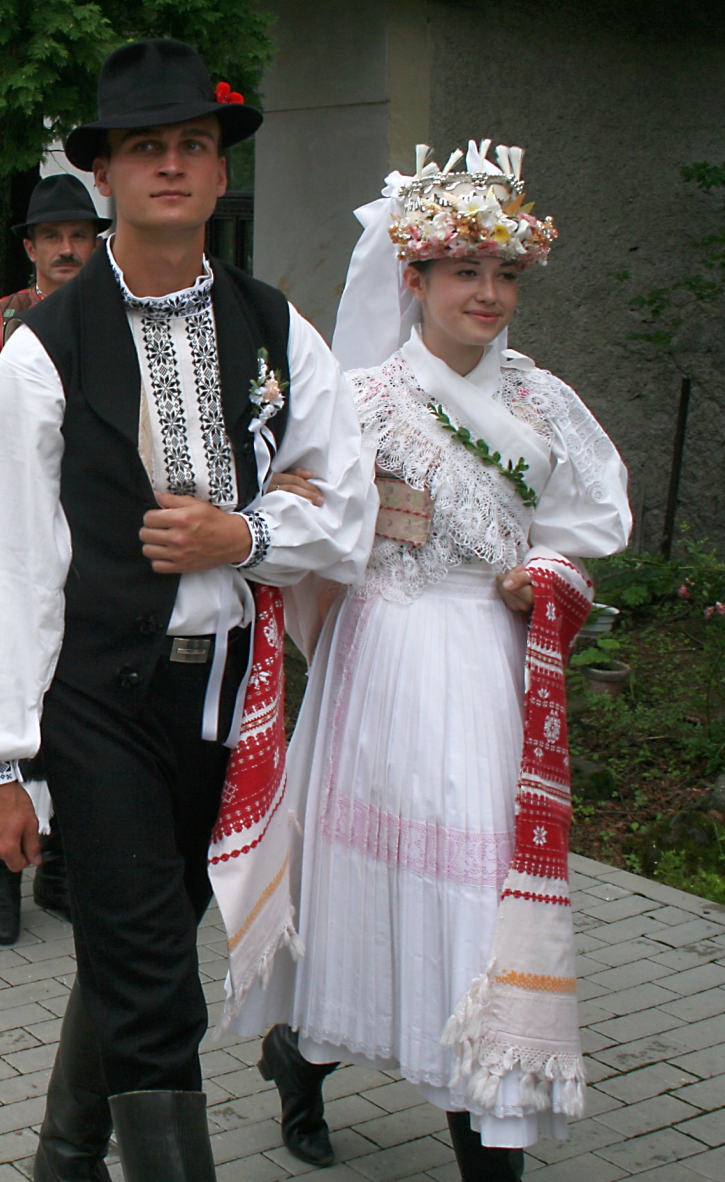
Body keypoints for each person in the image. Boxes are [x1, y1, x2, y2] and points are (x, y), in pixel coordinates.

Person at [0, 39, 373, 1181]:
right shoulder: (46, 350)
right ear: (108, 177)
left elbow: (350, 505)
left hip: (232, 693)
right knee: (154, 982)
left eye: (191, 147)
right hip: (99, 696)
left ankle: (64, 1157)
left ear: (221, 174)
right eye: (144, 150)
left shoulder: (281, 329)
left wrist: (250, 534)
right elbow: (5, 564)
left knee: (146, 948)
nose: (170, 167)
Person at [249, 142, 632, 1180]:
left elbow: (586, 520)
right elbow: (306, 526)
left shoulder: (543, 403)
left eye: (504, 274)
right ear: (412, 279)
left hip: (490, 668)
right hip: (384, 660)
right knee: (364, 879)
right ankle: (304, 1052)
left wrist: (543, 570)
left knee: (478, 897)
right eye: (464, 270)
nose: (488, 293)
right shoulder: (360, 397)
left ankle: (485, 1112)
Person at [0, 172, 110, 947]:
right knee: (13, 698)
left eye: (80, 233)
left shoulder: (118, 318)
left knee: (81, 709)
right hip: (16, 547)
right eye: (53, 236)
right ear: (32, 247)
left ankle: (67, 856)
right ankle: (1, 866)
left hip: (97, 555)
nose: (68, 248)